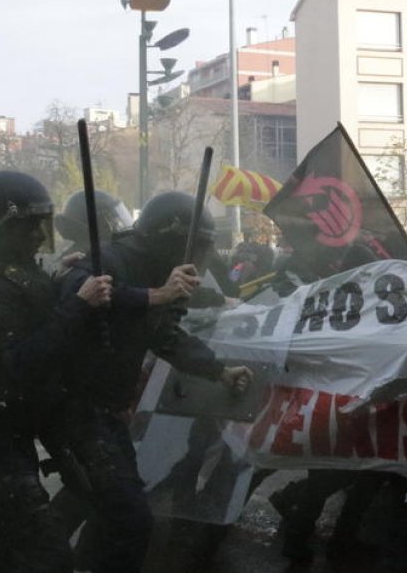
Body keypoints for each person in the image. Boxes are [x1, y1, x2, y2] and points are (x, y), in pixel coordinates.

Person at [50, 190, 253, 573]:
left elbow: (164, 335)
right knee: (130, 520)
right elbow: (75, 287)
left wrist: (219, 370)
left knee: (96, 502)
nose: (200, 256)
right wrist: (154, 295)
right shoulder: (113, 258)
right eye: (196, 245)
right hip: (79, 408)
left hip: (107, 411)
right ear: (171, 239)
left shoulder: (155, 270)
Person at [0, 170, 110, 573]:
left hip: (7, 435)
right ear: (0, 226)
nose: (37, 236)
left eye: (41, 225)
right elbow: (16, 363)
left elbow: (22, 309)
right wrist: (77, 305)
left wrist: (55, 279)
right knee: (47, 557)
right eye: (28, 225)